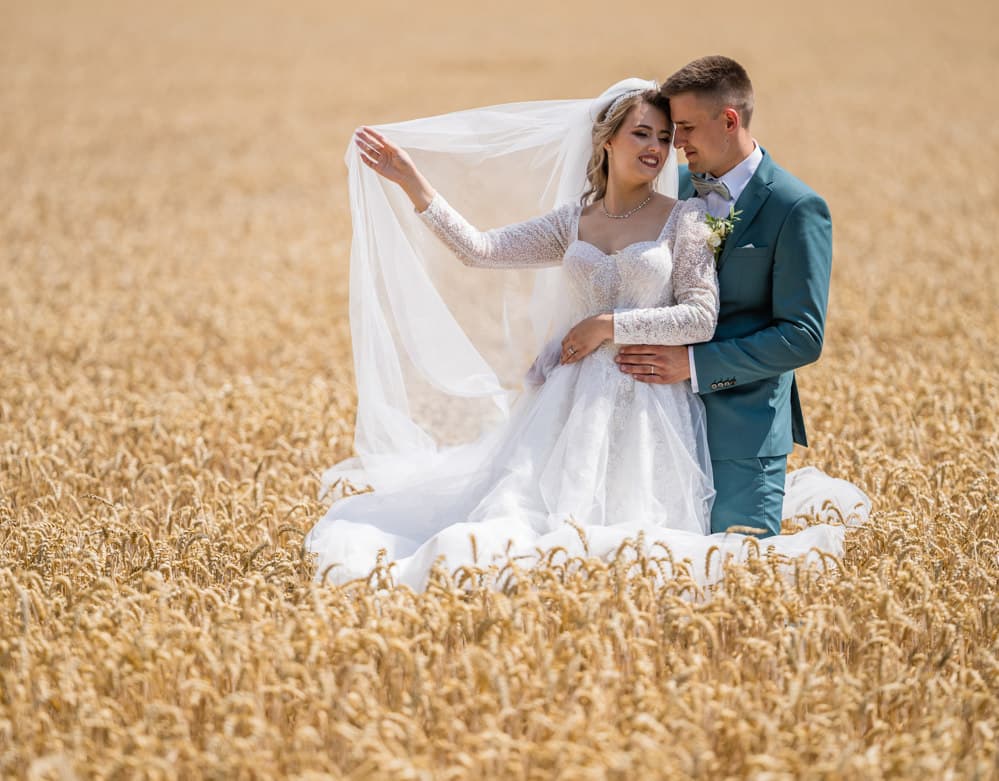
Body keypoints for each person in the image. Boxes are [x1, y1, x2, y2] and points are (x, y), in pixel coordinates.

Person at [306, 78, 869, 589]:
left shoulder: (688, 217)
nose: (656, 147)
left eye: (666, 137)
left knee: (639, 549)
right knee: (534, 526)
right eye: (640, 133)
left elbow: (699, 315)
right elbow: (480, 250)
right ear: (606, 140)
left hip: (649, 396)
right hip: (569, 400)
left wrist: (607, 326)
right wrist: (414, 185)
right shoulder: (572, 221)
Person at [615, 56, 838, 537]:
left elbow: (802, 336)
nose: (676, 143)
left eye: (687, 128)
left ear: (730, 121)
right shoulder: (667, 190)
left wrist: (693, 364)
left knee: (738, 583)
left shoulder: (796, 208)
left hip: (742, 439)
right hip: (656, 428)